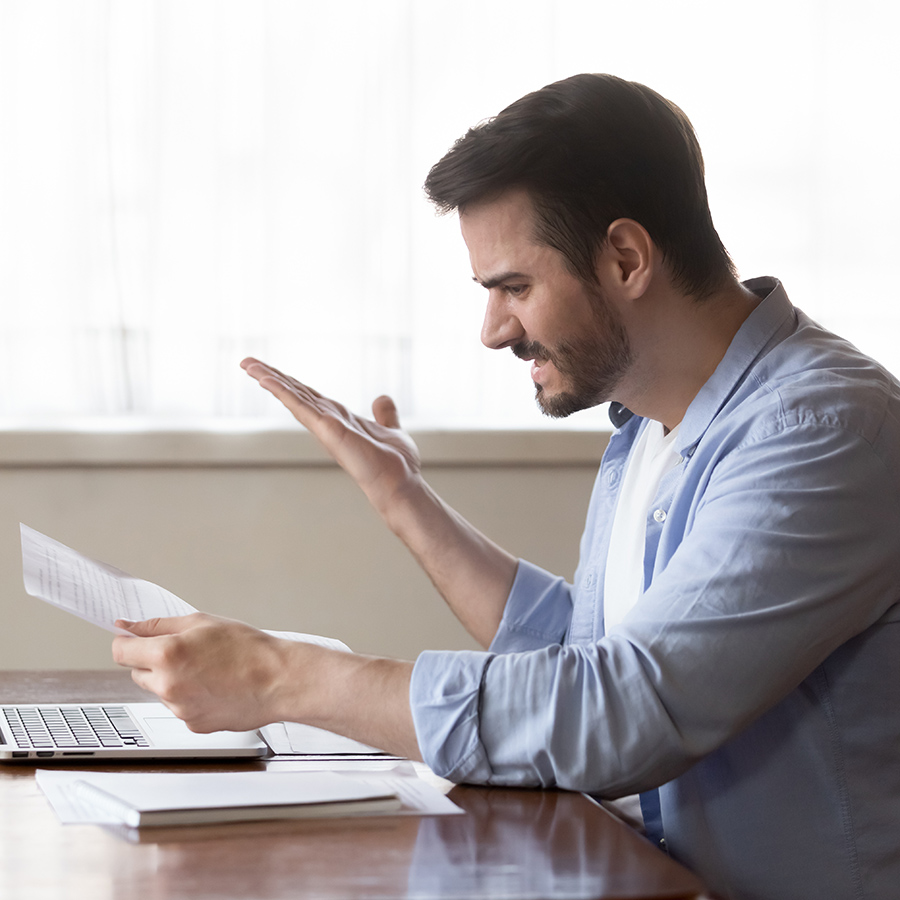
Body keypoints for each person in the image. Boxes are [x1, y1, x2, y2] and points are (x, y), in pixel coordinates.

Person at [112, 74, 900, 900]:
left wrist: (283, 677)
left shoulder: (820, 432)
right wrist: (401, 498)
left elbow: (624, 707)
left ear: (626, 258)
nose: (493, 330)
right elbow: (588, 660)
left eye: (514, 288)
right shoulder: (653, 425)